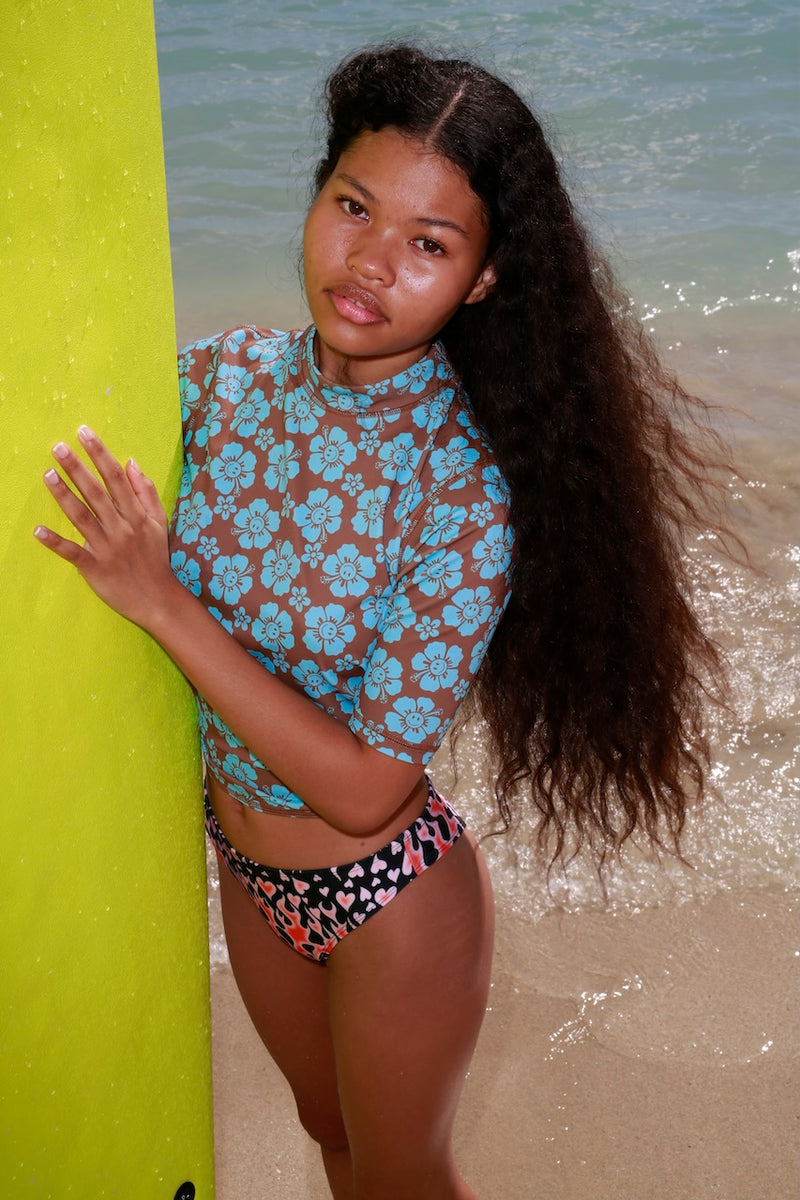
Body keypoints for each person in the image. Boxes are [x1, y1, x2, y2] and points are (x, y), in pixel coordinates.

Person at [34, 43, 729, 1200]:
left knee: (401, 1176)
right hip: (251, 872)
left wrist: (161, 603)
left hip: (388, 901)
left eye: (428, 243)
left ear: (486, 278)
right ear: (314, 194)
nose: (368, 261)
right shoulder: (216, 384)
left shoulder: (466, 491)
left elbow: (367, 789)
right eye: (352, 206)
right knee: (329, 1134)